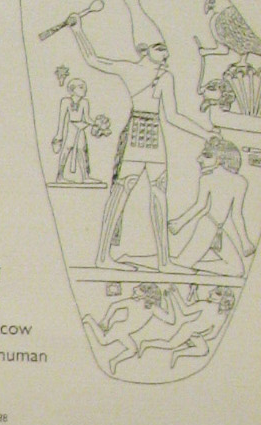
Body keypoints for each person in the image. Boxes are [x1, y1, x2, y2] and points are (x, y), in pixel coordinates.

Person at [70, 22, 211, 267]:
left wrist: (205, 133)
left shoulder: (165, 77)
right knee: (121, 193)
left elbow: (173, 116)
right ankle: (102, 257)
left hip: (155, 137)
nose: (165, 54)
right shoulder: (130, 70)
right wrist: (78, 30)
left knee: (159, 195)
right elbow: (93, 60)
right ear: (144, 49)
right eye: (159, 48)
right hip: (136, 135)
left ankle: (164, 262)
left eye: (165, 49)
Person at [169, 135, 257, 274]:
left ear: (220, 159)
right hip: (207, 225)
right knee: (182, 263)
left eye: (207, 156)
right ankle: (183, 264)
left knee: (237, 270)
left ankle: (193, 266)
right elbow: (201, 206)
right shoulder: (209, 179)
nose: (199, 159)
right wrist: (179, 222)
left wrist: (245, 241)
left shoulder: (239, 182)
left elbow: (236, 214)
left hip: (218, 229)